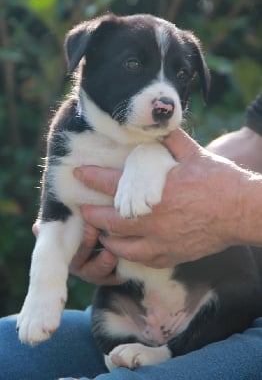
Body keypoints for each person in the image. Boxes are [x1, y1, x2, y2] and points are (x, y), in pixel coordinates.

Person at [0, 93, 262, 380]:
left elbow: (233, 195)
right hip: (139, 304)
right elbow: (252, 142)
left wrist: (235, 207)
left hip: (237, 305)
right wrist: (183, 189)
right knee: (7, 349)